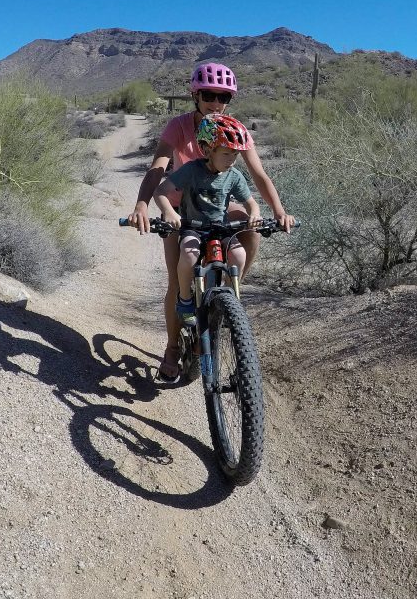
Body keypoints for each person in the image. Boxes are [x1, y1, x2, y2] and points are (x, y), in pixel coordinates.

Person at [126, 62, 294, 380]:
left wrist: (278, 210)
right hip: (181, 208)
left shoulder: (232, 128)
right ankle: (174, 347)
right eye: (209, 95)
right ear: (195, 94)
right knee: (178, 282)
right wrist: (142, 205)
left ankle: (229, 293)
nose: (216, 103)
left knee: (248, 224)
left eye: (223, 97)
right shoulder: (179, 126)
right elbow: (158, 167)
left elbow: (257, 175)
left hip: (219, 206)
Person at [152, 113, 260, 381]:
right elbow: (161, 192)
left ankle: (228, 302)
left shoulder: (233, 175)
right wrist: (169, 212)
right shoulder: (192, 170)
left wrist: (255, 212)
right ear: (207, 149)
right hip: (193, 228)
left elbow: (250, 202)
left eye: (235, 154)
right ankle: (186, 302)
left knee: (238, 253)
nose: (232, 159)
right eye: (226, 153)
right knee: (188, 255)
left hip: (220, 230)